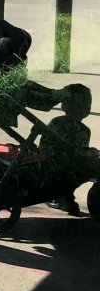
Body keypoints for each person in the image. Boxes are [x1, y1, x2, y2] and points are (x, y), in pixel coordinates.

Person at [39, 85, 97, 216]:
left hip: (46, 165)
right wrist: (91, 153)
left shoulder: (55, 122)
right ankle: (66, 195)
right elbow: (79, 155)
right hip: (63, 169)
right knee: (91, 166)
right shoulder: (82, 130)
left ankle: (62, 195)